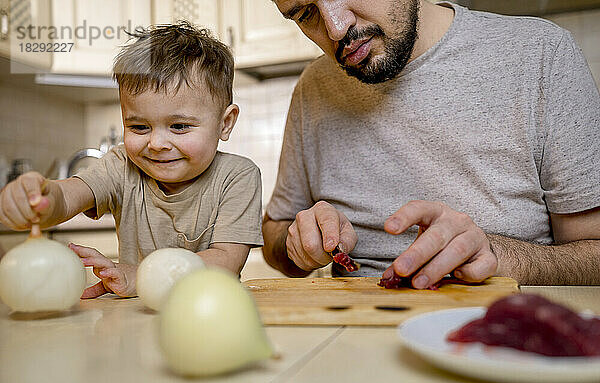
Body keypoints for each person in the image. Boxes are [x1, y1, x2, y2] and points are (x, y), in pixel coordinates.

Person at [262, 0, 600, 287]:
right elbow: (274, 234)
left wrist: (501, 257)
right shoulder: (313, 88)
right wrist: (298, 244)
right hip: (356, 334)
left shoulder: (541, 53)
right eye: (305, 13)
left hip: (504, 332)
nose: (336, 28)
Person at [0, 22, 263, 298]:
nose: (157, 144)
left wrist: (140, 276)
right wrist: (39, 198)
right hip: (134, 318)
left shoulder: (238, 176)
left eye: (180, 126)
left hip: (210, 316)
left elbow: (225, 262)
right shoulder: (122, 165)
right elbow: (67, 197)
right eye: (139, 127)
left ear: (225, 123)